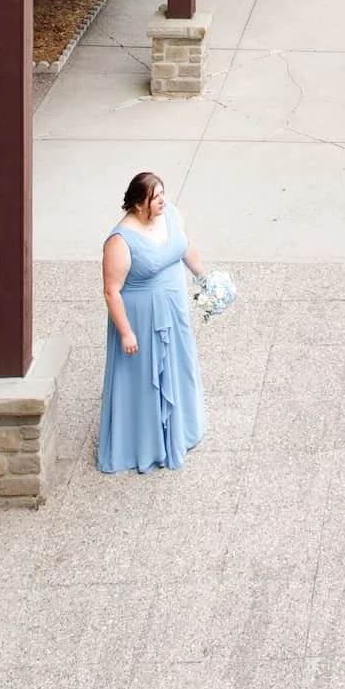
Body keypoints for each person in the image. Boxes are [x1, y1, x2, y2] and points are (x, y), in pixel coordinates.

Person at [98, 171, 208, 474]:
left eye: (162, 194)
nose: (162, 201)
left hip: (173, 309)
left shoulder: (170, 214)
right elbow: (111, 291)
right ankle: (147, 444)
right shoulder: (120, 241)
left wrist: (205, 279)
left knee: (179, 364)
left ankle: (182, 430)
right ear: (137, 204)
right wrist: (126, 332)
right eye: (154, 197)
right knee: (146, 378)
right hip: (142, 319)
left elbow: (184, 246)